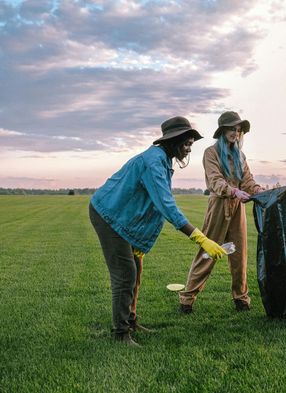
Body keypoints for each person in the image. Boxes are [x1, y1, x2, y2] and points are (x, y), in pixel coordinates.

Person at [89, 116, 226, 346]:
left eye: (191, 143)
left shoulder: (163, 161)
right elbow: (166, 205)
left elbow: (149, 205)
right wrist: (201, 238)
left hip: (122, 218)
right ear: (172, 141)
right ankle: (120, 334)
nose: (188, 147)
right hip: (108, 215)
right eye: (186, 142)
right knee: (125, 275)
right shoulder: (154, 162)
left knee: (136, 268)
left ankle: (131, 320)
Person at [179, 111, 263, 313]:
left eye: (239, 129)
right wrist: (232, 191)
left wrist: (258, 191)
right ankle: (187, 298)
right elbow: (215, 180)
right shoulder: (211, 153)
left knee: (239, 254)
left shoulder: (240, 155)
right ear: (223, 130)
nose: (236, 132)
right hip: (219, 206)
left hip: (237, 209)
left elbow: (248, 180)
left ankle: (241, 298)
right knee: (208, 252)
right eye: (232, 129)